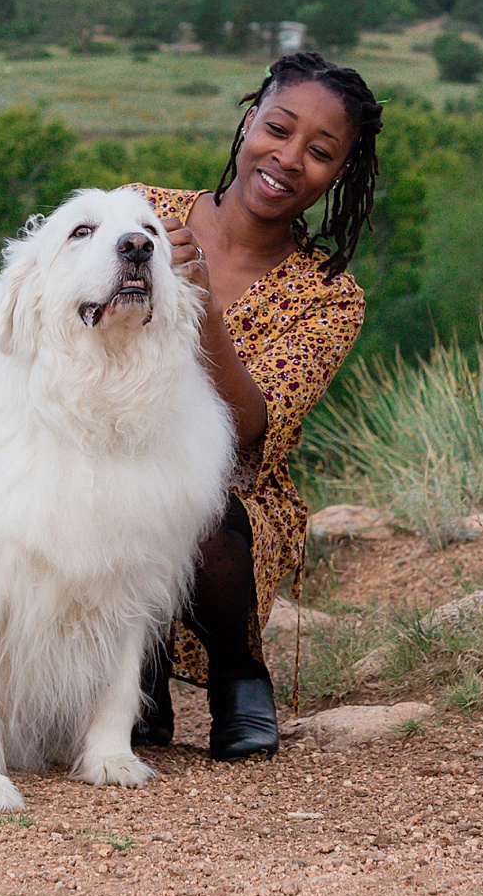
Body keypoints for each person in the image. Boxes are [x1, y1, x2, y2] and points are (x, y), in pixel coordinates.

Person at [130, 50, 383, 761]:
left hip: (232, 503)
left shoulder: (329, 298)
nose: (290, 157)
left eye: (322, 152)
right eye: (279, 128)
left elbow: (243, 435)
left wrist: (200, 299)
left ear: (341, 175)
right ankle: (133, 672)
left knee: (196, 501)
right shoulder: (137, 212)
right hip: (104, 459)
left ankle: (239, 675)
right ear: (248, 123)